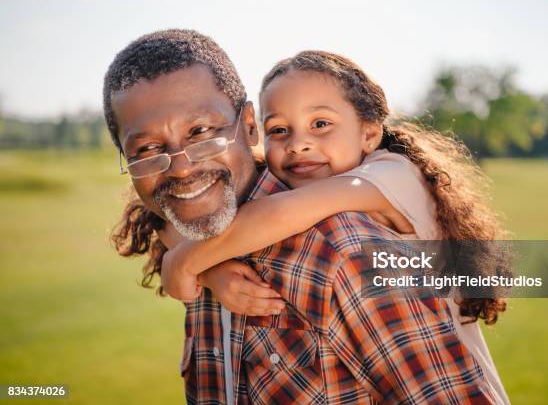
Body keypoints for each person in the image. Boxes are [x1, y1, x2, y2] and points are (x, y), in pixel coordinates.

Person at [106, 29, 496, 404]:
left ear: (247, 126)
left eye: (201, 132)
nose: (181, 169)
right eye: (148, 149)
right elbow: (164, 223)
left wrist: (190, 261)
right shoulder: (207, 225)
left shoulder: (353, 236)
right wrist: (208, 270)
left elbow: (282, 215)